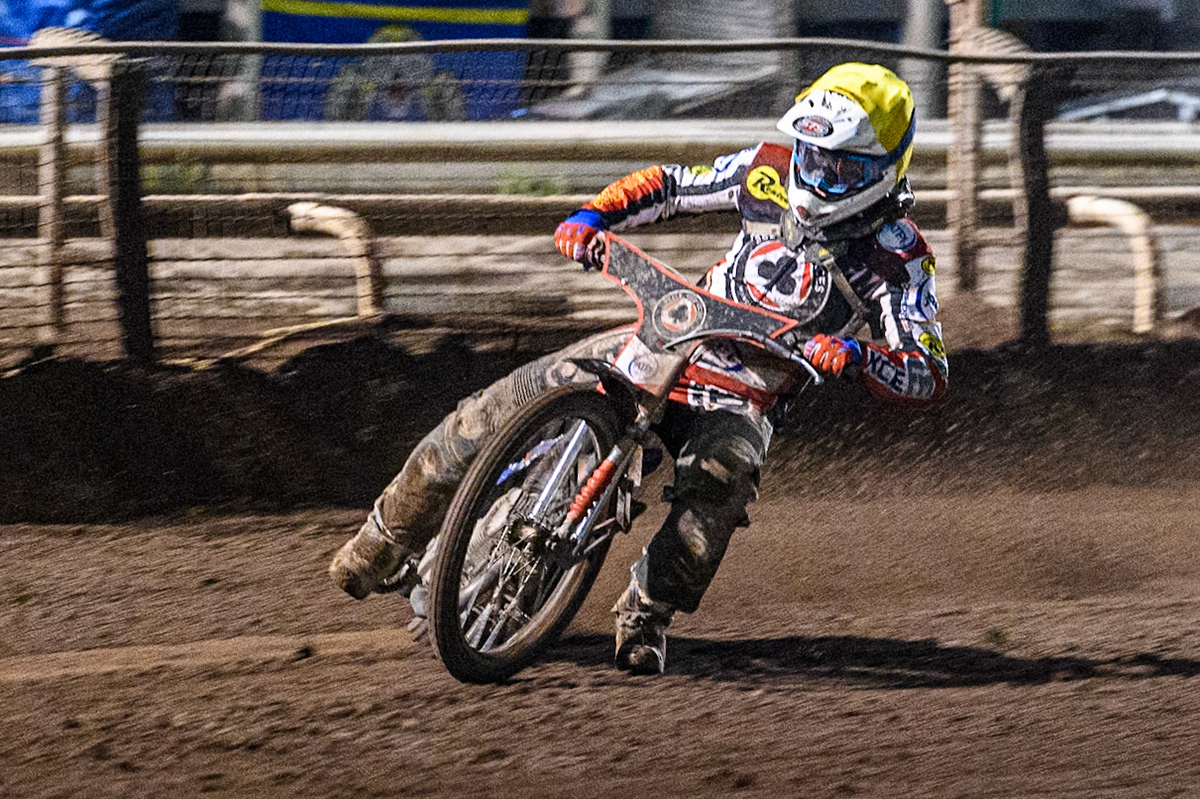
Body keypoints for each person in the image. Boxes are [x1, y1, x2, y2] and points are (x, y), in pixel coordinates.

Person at [329, 62, 948, 675]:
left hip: (745, 390)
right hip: (670, 332)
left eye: (843, 167)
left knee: (722, 481)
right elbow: (675, 185)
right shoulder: (769, 170)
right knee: (491, 410)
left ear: (884, 171)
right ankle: (383, 540)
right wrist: (595, 215)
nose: (821, 174)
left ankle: (646, 610)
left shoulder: (898, 257)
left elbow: (926, 368)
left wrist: (858, 354)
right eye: (815, 156)